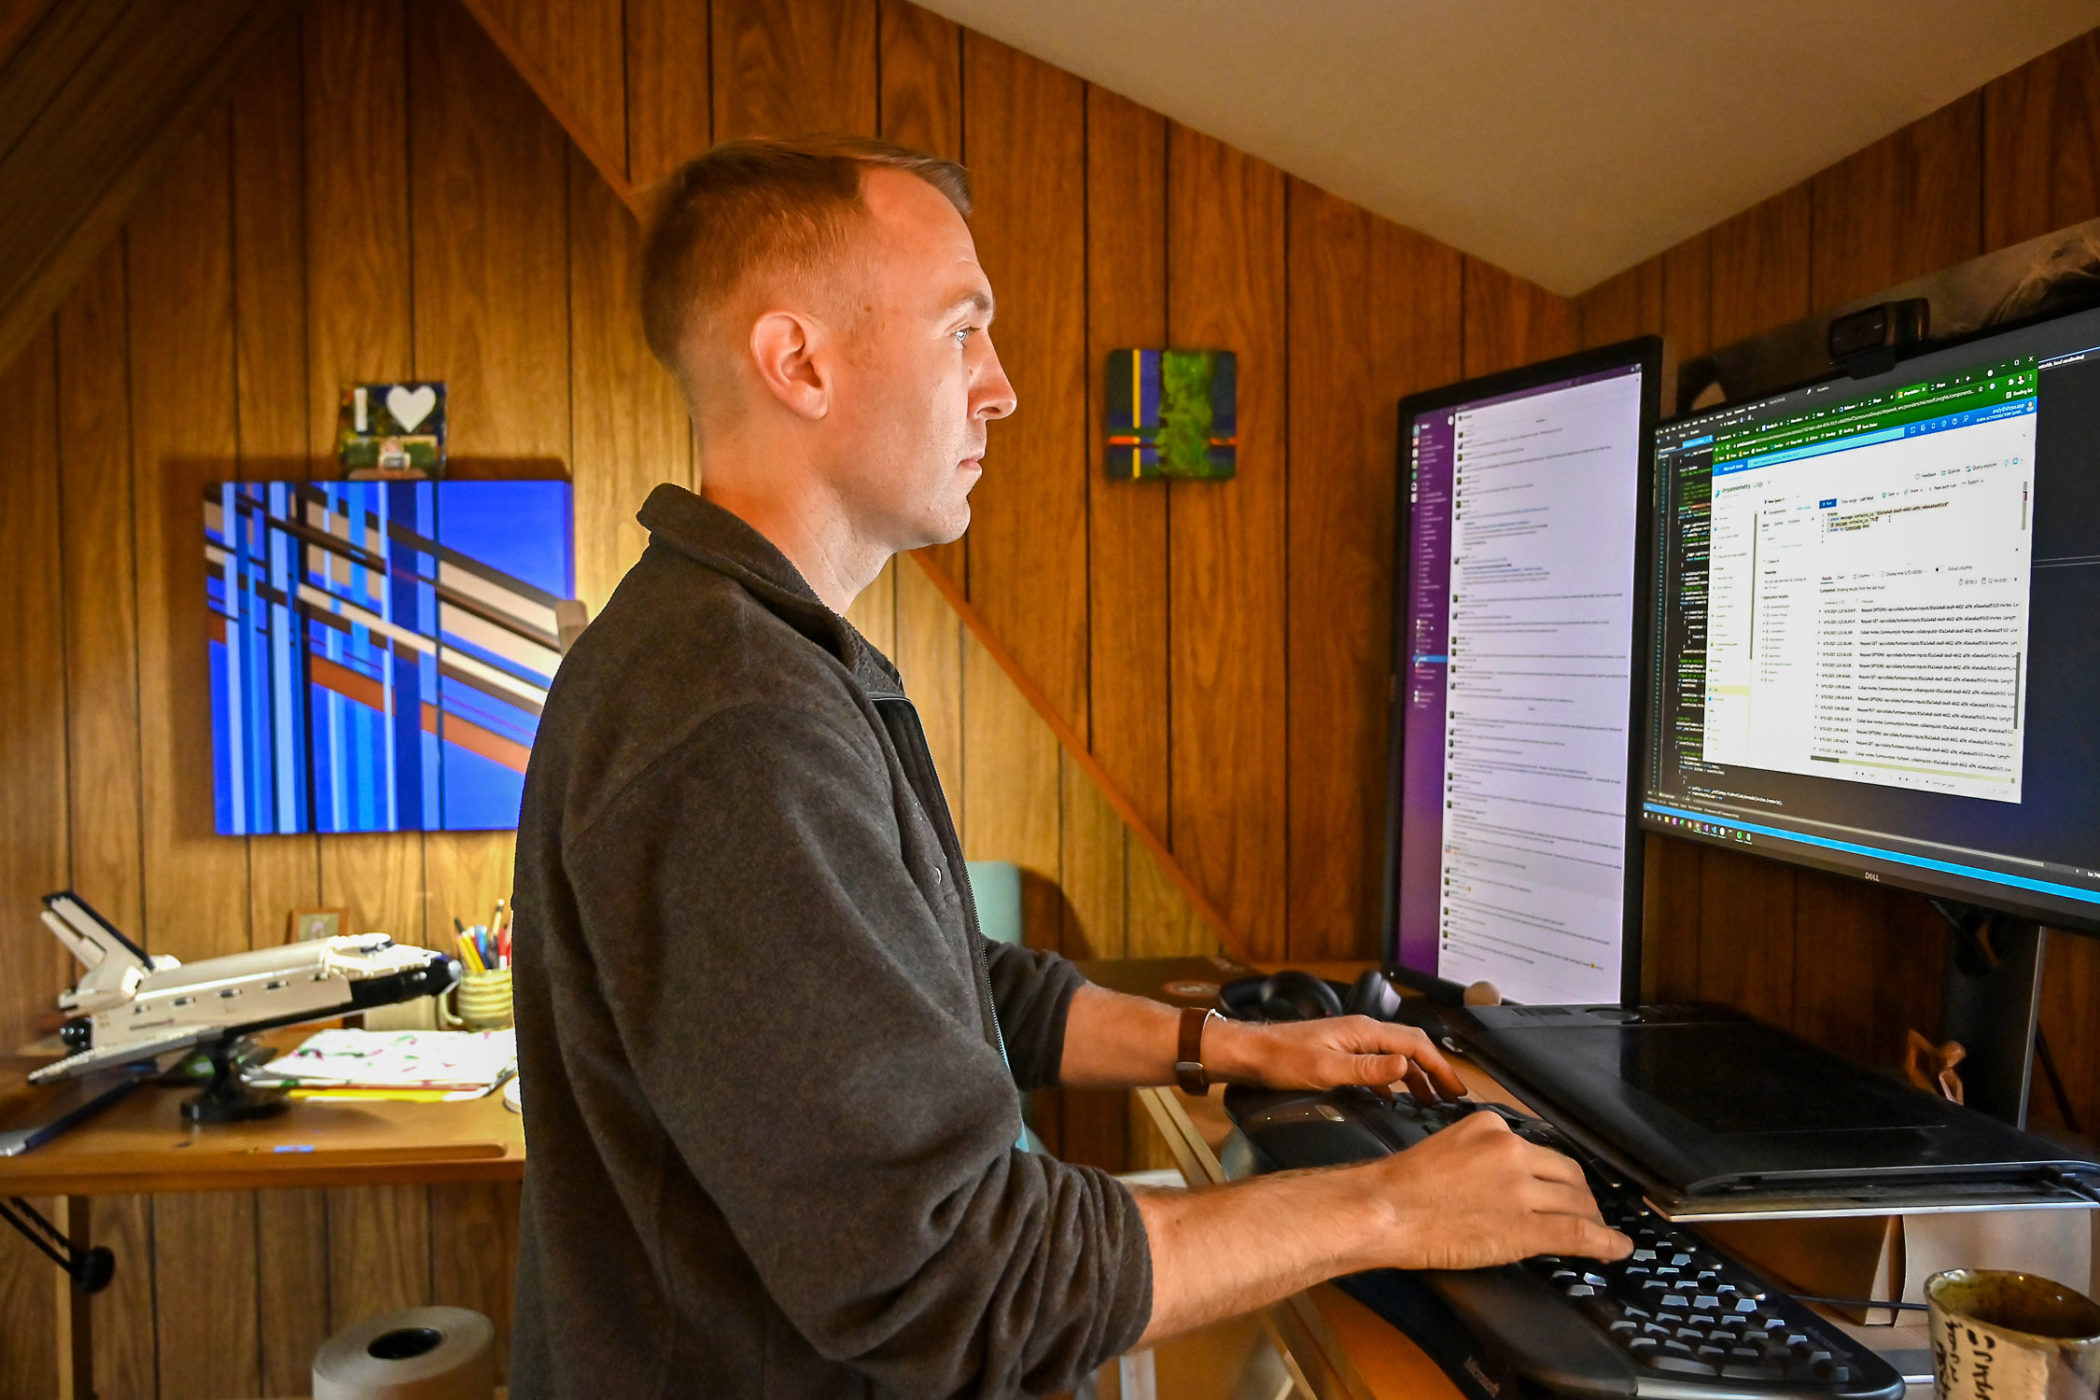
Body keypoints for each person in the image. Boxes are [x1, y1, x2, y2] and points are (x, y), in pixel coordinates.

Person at [508, 135, 1629, 1399]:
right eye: (962, 329)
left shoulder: (754, 654)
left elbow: (943, 989)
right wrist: (1385, 1206)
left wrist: (1230, 1045)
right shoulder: (729, 719)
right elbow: (958, 1278)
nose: (1003, 387)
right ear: (800, 361)